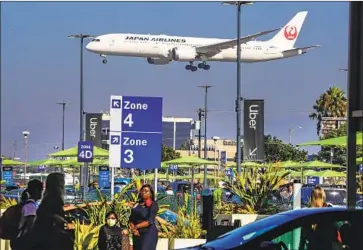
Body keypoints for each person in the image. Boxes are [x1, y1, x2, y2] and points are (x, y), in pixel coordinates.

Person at [29, 173, 74, 250]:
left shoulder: (46, 198)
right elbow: (55, 219)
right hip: (52, 239)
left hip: (42, 238)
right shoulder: (56, 198)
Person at [10, 180, 43, 250]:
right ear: (37, 190)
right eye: (41, 190)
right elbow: (30, 226)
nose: (42, 192)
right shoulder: (30, 206)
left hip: (19, 240)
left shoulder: (28, 204)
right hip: (23, 242)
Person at [129, 184, 159, 250]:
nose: (143, 192)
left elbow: (150, 221)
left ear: (150, 193)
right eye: (142, 190)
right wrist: (133, 229)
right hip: (136, 233)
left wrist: (136, 227)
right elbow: (131, 218)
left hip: (148, 232)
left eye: (146, 191)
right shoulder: (137, 204)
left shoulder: (153, 204)